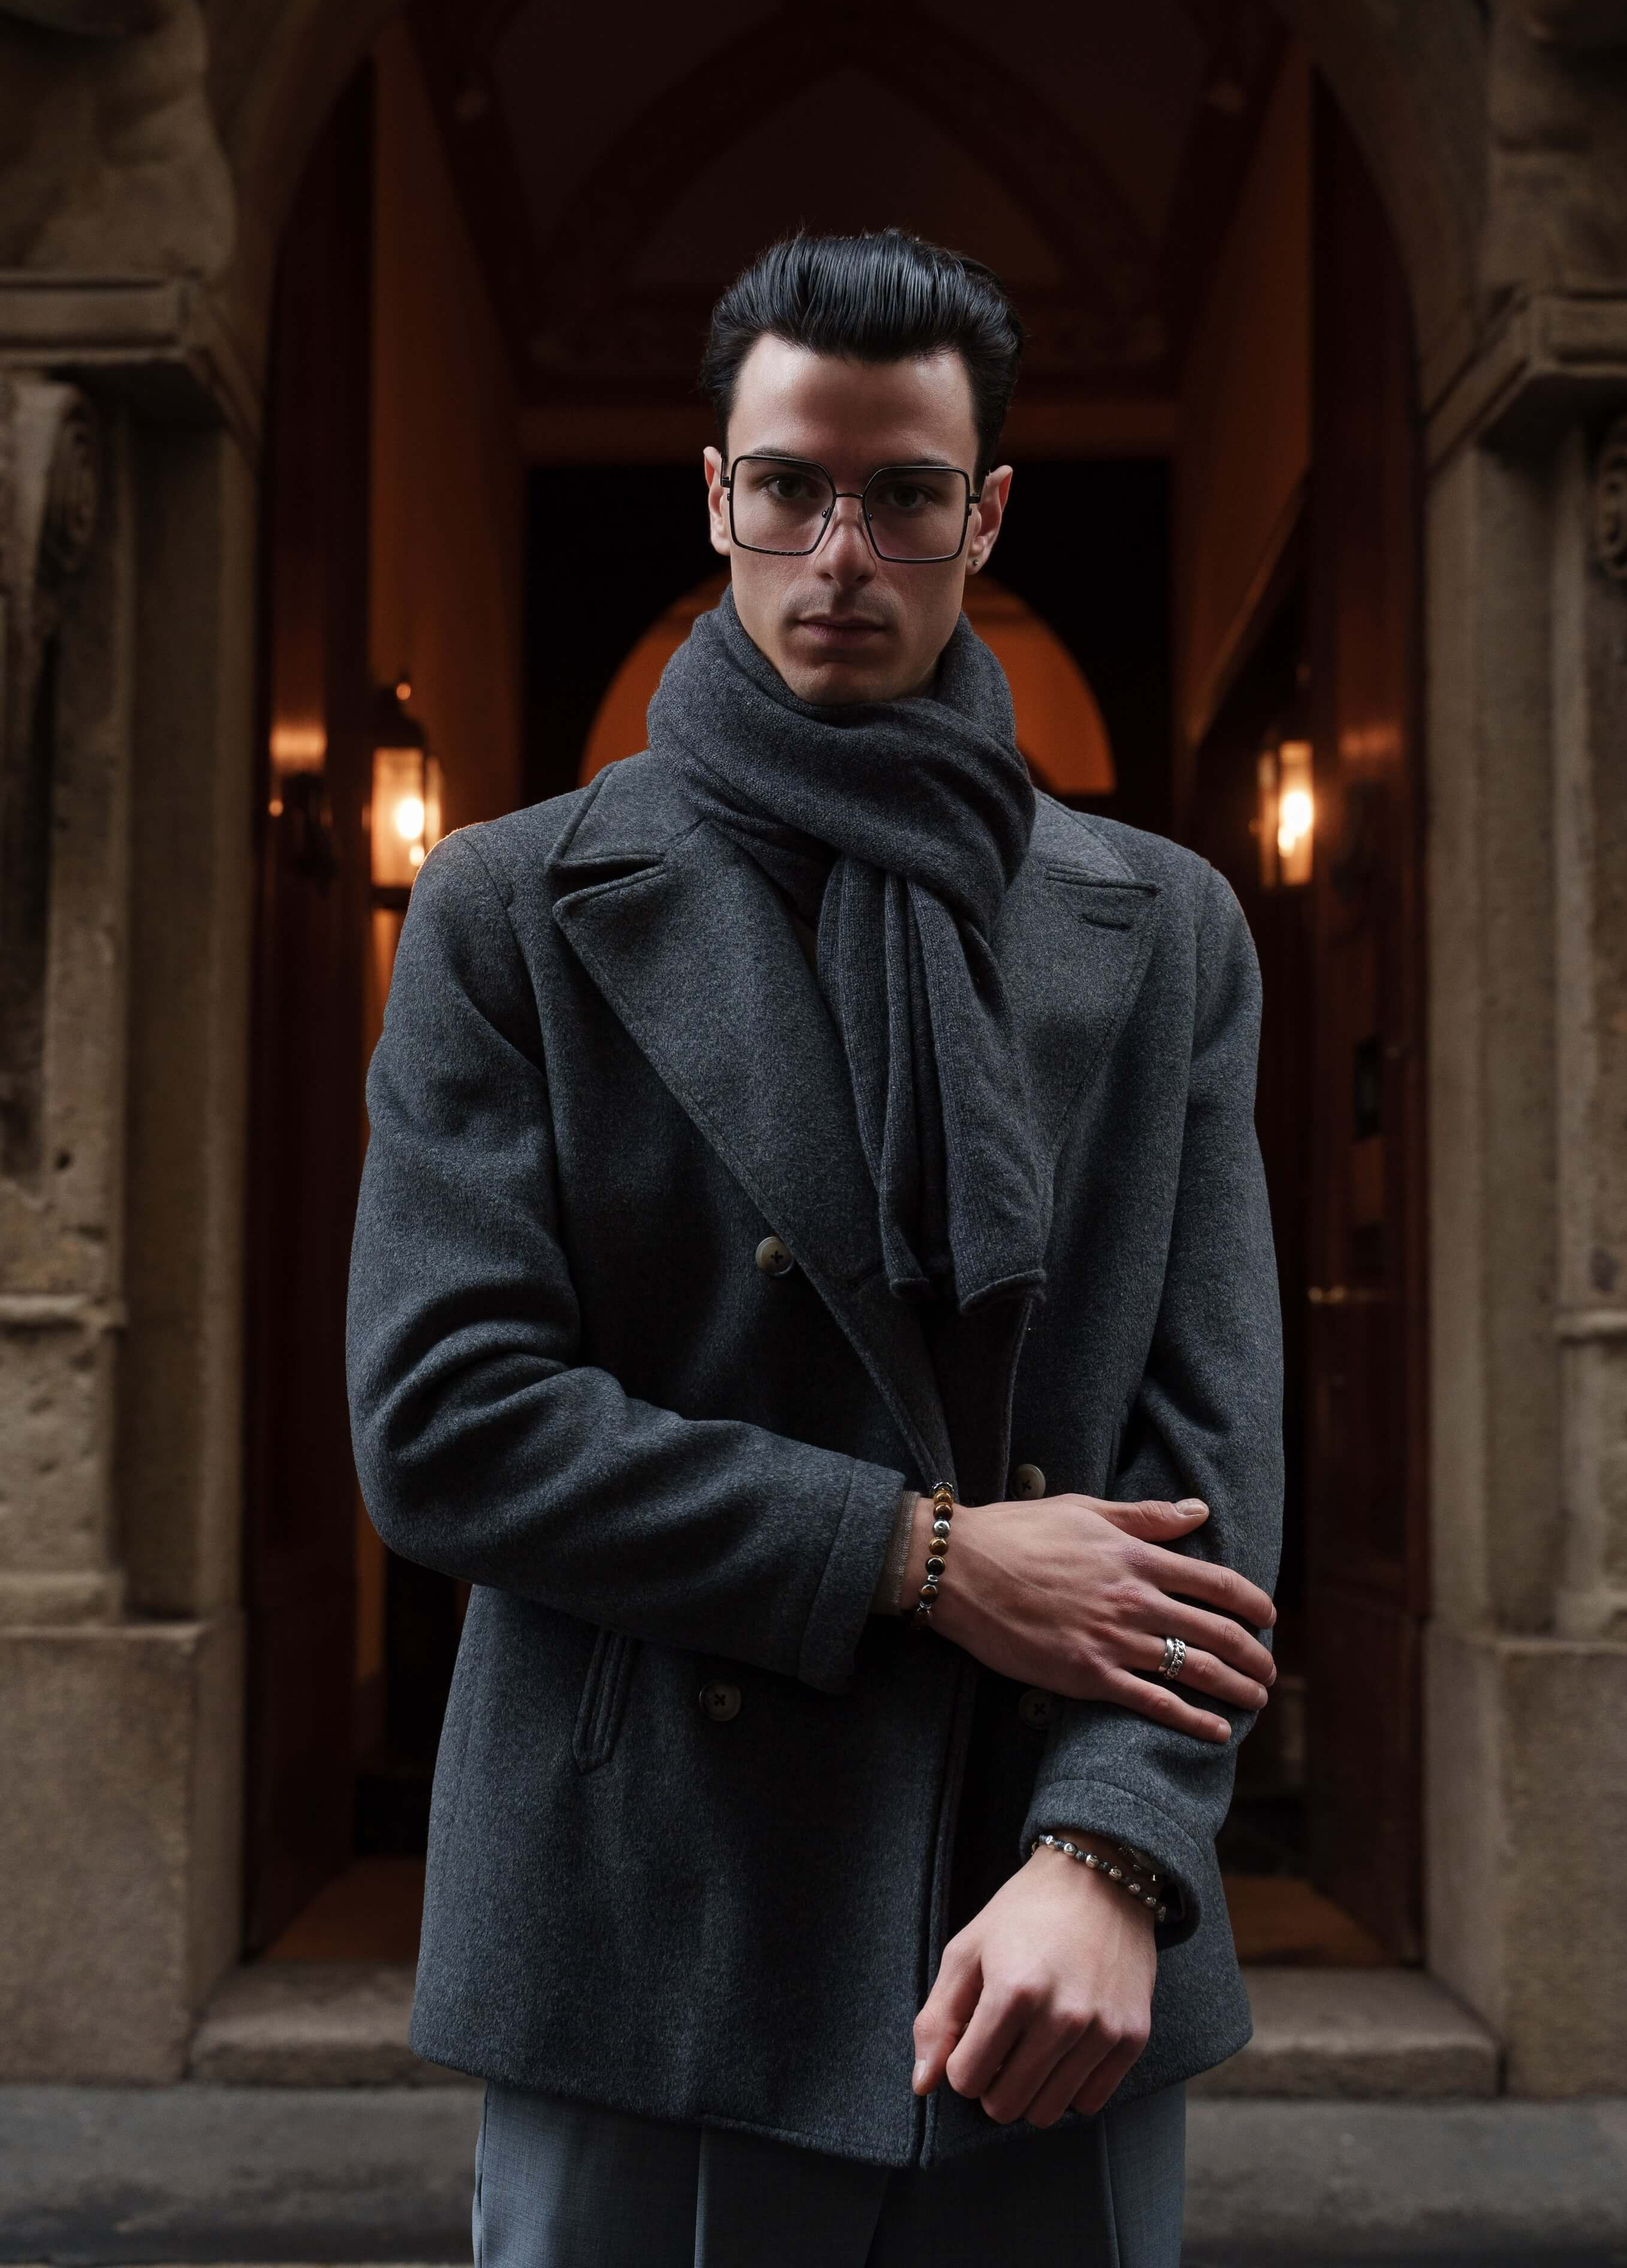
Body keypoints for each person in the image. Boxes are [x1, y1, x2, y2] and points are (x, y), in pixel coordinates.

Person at [348, 228, 1283, 2268]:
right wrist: (922, 1559)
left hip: (1033, 1932)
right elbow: (445, 1424)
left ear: (986, 514)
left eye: (905, 497)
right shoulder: (515, 907)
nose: (841, 550)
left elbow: (1212, 1465)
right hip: (645, 1917)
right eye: (790, 487)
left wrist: (1114, 1857)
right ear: (719, 497)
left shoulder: (1165, 927)